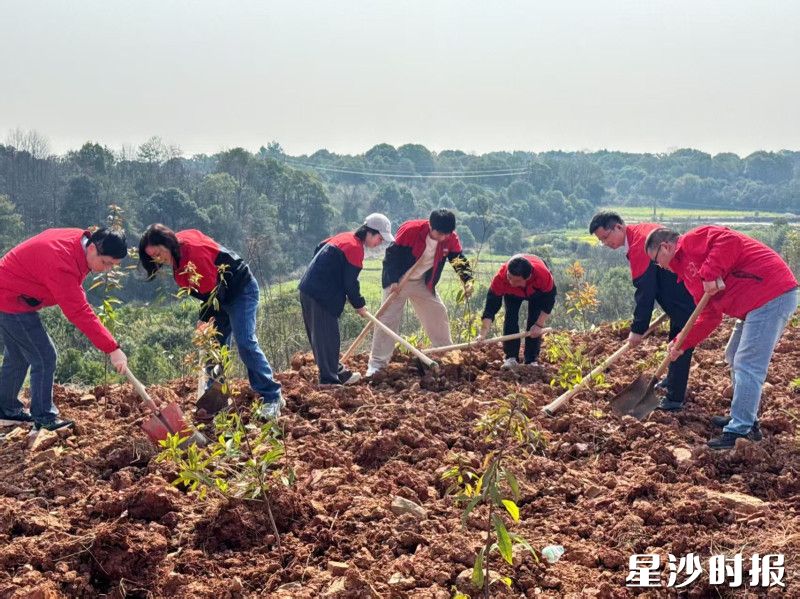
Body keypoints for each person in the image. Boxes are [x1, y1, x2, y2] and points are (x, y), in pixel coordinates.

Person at [645, 225, 798, 449]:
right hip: (754, 304)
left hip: (771, 293)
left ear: (665, 246)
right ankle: (746, 418)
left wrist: (709, 272)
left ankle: (741, 429)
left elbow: (729, 241)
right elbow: (709, 316)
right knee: (733, 354)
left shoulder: (691, 242)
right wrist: (682, 342)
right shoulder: (686, 276)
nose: (659, 266)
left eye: (656, 259)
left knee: (747, 362)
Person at [138, 224, 283, 418]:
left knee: (245, 342)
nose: (158, 259)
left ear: (167, 242)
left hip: (240, 291)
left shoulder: (193, 252)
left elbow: (212, 291)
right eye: (153, 257)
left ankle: (272, 396)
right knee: (214, 349)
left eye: (158, 253)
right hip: (218, 298)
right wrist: (205, 321)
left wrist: (203, 320)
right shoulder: (177, 257)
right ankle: (215, 400)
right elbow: (207, 293)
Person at [0, 227, 129, 430]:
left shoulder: (79, 243)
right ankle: (44, 418)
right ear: (93, 248)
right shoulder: (61, 262)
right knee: (44, 356)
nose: (107, 269)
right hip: (9, 298)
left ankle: (5, 409)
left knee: (18, 355)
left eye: (113, 265)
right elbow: (78, 311)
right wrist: (112, 348)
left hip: (11, 289)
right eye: (106, 263)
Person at [589, 211, 696, 411]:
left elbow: (645, 291)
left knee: (680, 345)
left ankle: (674, 398)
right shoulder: (640, 232)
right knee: (676, 340)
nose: (606, 243)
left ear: (618, 227)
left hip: (685, 297)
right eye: (601, 241)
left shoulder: (640, 243)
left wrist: (638, 329)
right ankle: (671, 382)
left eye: (605, 237)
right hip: (680, 296)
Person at [367, 209, 473, 376]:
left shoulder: (450, 238)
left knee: (438, 313)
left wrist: (468, 281)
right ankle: (377, 365)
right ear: (431, 226)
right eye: (440, 234)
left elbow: (458, 259)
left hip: (423, 282)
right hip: (399, 281)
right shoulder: (411, 230)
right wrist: (393, 279)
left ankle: (446, 353)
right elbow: (392, 255)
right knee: (387, 319)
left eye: (447, 234)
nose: (443, 238)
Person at [299, 213, 393, 386]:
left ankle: (338, 372)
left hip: (310, 288)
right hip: (321, 294)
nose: (380, 243)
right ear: (370, 232)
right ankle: (328, 380)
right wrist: (359, 304)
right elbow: (351, 283)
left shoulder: (345, 237)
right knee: (326, 337)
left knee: (325, 336)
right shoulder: (354, 248)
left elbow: (318, 247)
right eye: (380, 238)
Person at [478, 254, 556, 368]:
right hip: (512, 295)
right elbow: (490, 307)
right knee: (511, 317)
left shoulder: (543, 276)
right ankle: (511, 357)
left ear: (528, 277)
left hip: (536, 293)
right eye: (509, 277)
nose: (511, 283)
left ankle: (531, 359)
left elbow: (549, 301)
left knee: (534, 321)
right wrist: (483, 333)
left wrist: (539, 325)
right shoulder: (501, 278)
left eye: (517, 281)